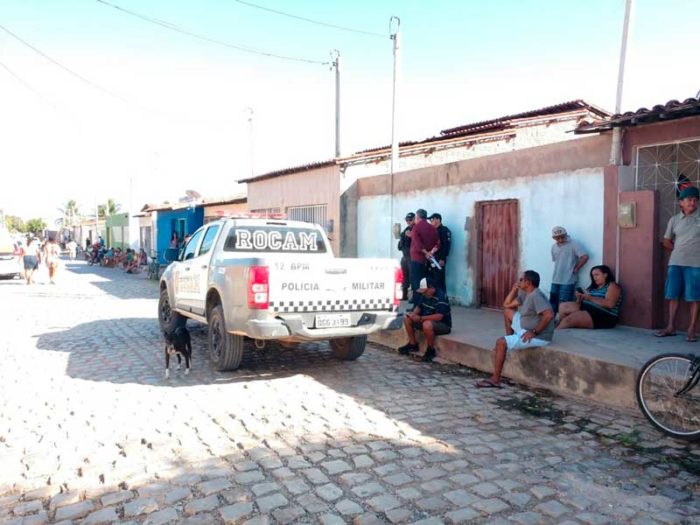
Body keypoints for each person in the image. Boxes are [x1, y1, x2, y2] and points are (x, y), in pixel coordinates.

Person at [476, 270, 555, 388]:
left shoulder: (536, 296)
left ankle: (495, 379)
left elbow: (549, 315)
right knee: (507, 312)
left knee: (500, 342)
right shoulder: (525, 293)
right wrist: (514, 289)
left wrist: (534, 332)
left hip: (538, 336)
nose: (519, 282)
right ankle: (510, 339)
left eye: (521, 280)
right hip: (525, 326)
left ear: (528, 282)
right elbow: (506, 305)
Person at [656, 186, 700, 342]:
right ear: (681, 202)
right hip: (675, 263)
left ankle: (692, 328)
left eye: (695, 200)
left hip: (696, 264)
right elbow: (666, 241)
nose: (693, 203)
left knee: (694, 297)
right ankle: (670, 327)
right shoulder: (674, 220)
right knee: (672, 295)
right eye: (689, 200)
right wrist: (679, 250)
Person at [397, 277, 452, 362]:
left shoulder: (441, 297)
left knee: (427, 324)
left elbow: (439, 316)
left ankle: (430, 350)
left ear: (432, 288)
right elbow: (419, 307)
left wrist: (421, 318)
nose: (424, 293)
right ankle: (412, 344)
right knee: (407, 319)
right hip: (425, 320)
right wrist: (413, 315)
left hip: (442, 324)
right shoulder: (425, 295)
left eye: (425, 291)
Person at [557, 265, 623, 329]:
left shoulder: (612, 286)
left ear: (605, 275)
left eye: (597, 275)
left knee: (569, 319)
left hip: (604, 315)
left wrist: (590, 298)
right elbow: (580, 303)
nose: (594, 278)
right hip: (587, 309)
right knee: (563, 306)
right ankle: (563, 325)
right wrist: (579, 297)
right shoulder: (592, 287)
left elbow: (610, 304)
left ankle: (558, 332)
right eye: (593, 275)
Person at [549, 226, 588, 314]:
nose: (560, 239)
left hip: (568, 279)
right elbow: (556, 261)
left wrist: (576, 268)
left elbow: (585, 257)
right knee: (553, 300)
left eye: (562, 237)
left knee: (564, 302)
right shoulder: (553, 247)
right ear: (554, 238)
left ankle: (563, 323)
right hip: (556, 278)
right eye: (557, 238)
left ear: (566, 234)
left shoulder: (573, 244)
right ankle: (552, 322)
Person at [409, 209, 440, 302]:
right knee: (426, 283)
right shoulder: (432, 228)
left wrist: (426, 253)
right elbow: (438, 243)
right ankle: (426, 304)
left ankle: (417, 306)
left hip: (417, 259)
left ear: (417, 217)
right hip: (429, 260)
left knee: (417, 283)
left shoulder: (416, 228)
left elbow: (418, 245)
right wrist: (431, 253)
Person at [428, 213, 451, 292]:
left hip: (439, 259)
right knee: (433, 280)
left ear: (438, 220)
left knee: (440, 280)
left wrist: (442, 258)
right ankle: (436, 300)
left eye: (432, 220)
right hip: (432, 259)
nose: (431, 222)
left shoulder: (444, 230)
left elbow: (446, 246)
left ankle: (443, 301)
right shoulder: (432, 231)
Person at [397, 212, 415, 301]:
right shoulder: (406, 230)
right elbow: (400, 246)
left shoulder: (415, 229)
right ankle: (404, 295)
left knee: (413, 277)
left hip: (412, 257)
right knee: (405, 276)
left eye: (410, 220)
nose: (408, 221)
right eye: (407, 220)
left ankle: (414, 297)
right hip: (405, 256)